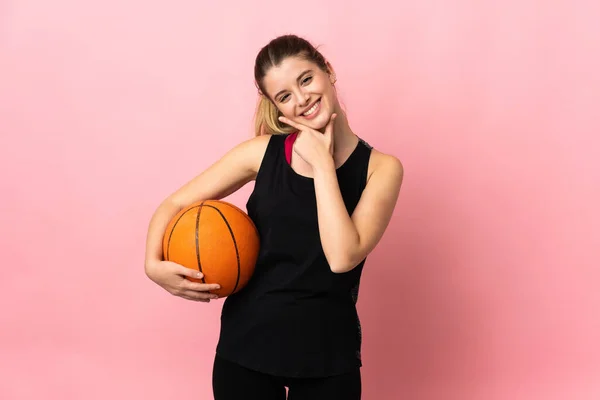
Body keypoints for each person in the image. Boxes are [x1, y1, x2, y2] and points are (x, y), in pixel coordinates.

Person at [144, 34, 404, 400]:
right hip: (247, 345)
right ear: (274, 105)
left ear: (328, 71)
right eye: (284, 96)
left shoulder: (382, 169)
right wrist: (152, 266)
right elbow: (174, 204)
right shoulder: (260, 154)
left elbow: (342, 256)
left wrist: (322, 165)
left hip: (328, 355)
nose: (301, 99)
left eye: (306, 79)